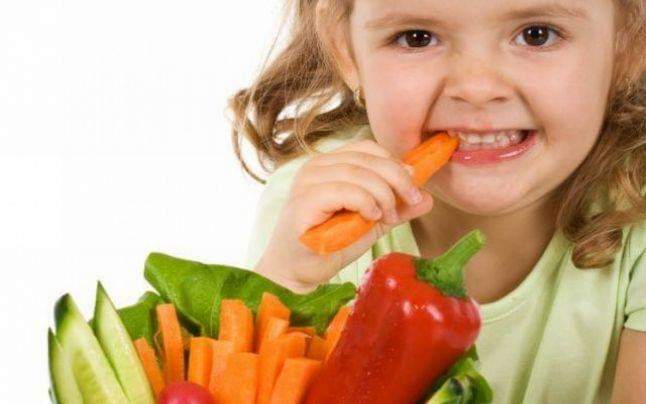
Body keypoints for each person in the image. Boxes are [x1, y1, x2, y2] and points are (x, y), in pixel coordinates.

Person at [230, 0, 645, 402]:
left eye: (538, 35)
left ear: (628, 41)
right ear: (344, 46)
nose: (476, 88)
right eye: (417, 37)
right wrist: (290, 281)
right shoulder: (319, 204)